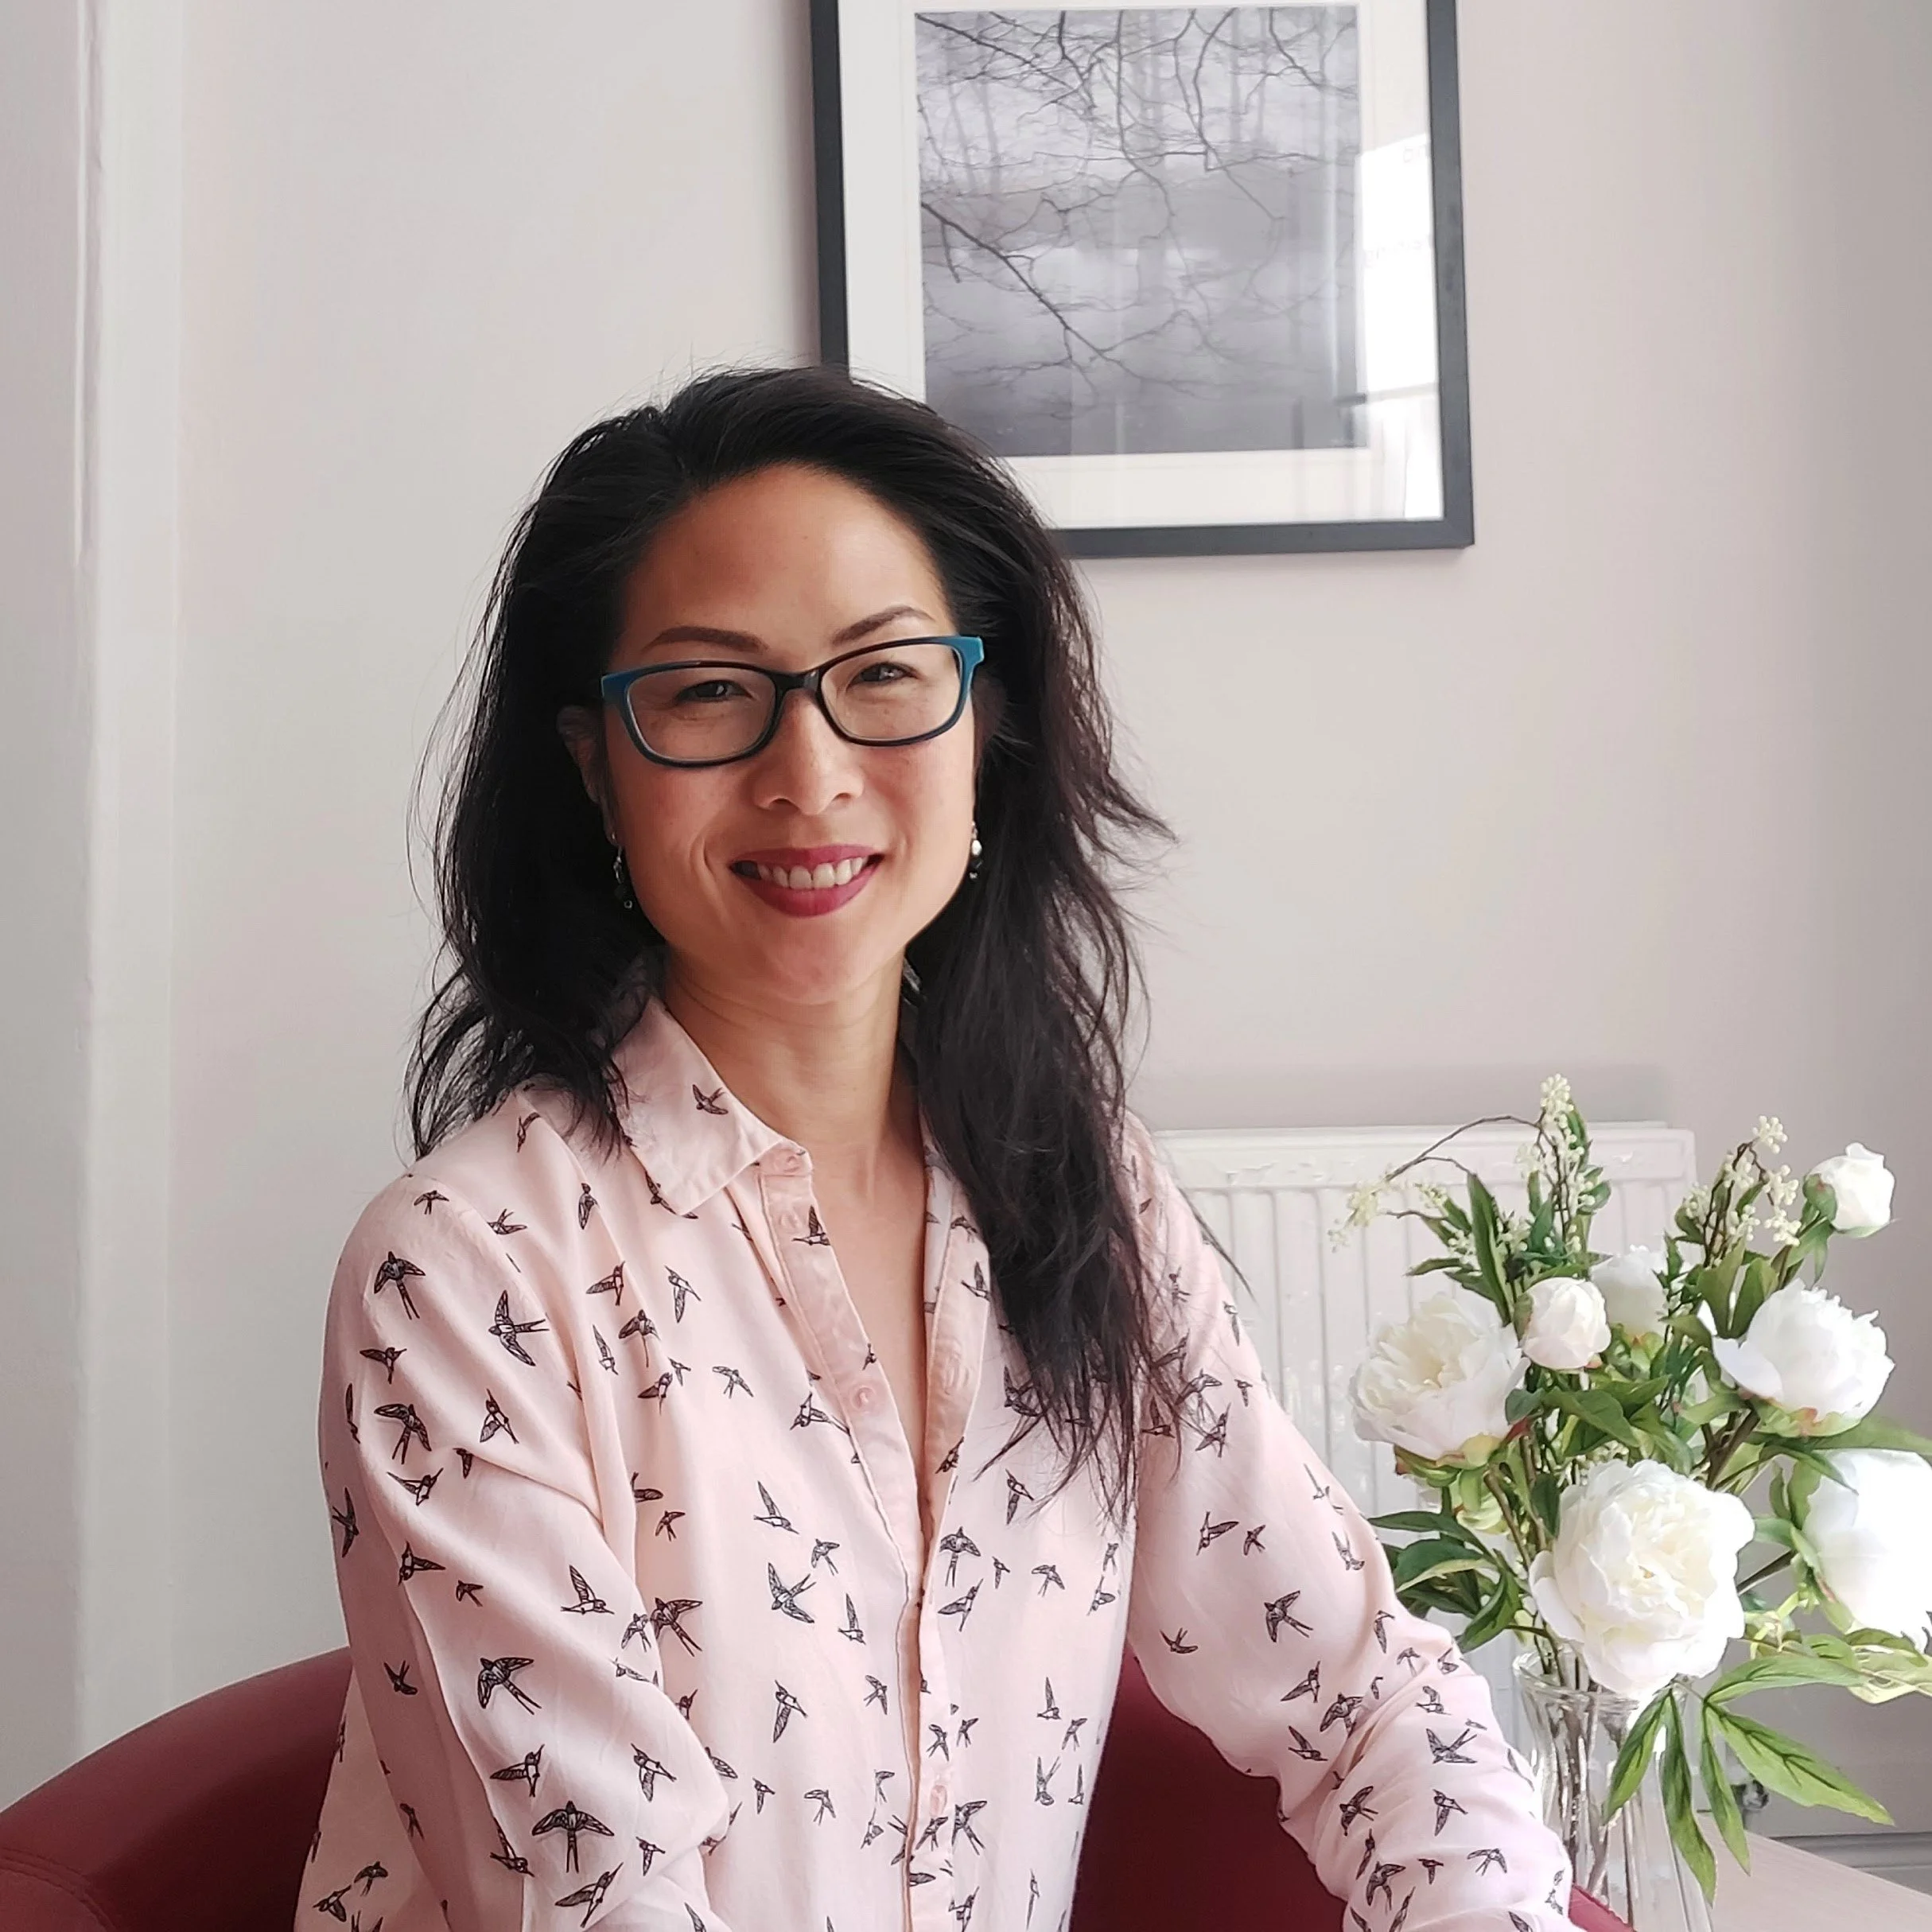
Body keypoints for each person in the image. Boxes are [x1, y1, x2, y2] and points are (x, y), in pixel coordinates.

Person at [301, 363, 1575, 1932]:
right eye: (708, 691)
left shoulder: (1073, 1178)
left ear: (986, 720)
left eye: (882, 674)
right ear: (594, 765)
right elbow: (596, 1895)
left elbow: (1354, 1684)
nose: (808, 770)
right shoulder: (464, 1266)